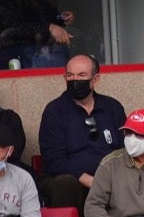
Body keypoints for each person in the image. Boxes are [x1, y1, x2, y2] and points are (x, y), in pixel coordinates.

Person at [35, 54, 125, 208]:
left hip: (110, 179)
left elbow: (125, 149)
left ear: (95, 79)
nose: (75, 80)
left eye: (82, 75)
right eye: (70, 76)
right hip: (73, 182)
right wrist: (90, 181)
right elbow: (54, 161)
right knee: (64, 183)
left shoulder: (112, 107)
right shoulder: (55, 111)